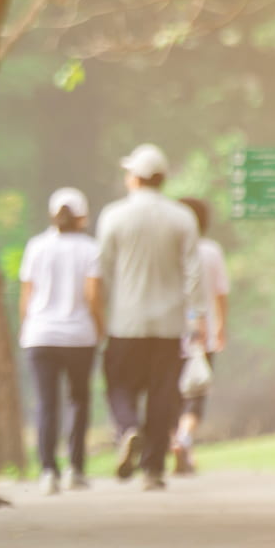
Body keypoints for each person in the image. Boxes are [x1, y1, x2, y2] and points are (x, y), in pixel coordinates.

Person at [95, 144, 204, 491]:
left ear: (135, 178)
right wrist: (197, 318)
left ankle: (128, 429)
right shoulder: (181, 217)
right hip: (169, 325)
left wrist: (100, 314)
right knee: (162, 396)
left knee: (119, 386)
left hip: (126, 322)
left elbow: (103, 272)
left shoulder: (114, 216)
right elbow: (194, 273)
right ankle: (153, 469)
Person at [19, 187, 103, 495]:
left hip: (40, 335)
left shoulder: (36, 247)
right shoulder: (90, 249)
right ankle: (75, 469)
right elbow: (93, 295)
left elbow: (27, 295)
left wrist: (26, 327)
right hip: (79, 335)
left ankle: (47, 471)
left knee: (46, 403)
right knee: (78, 401)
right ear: (82, 217)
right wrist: (99, 326)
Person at [172, 197, 230, 475]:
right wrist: (221, 326)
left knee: (170, 394)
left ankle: (176, 443)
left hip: (170, 333)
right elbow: (220, 294)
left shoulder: (171, 250)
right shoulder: (211, 251)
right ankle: (185, 441)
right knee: (195, 396)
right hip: (202, 335)